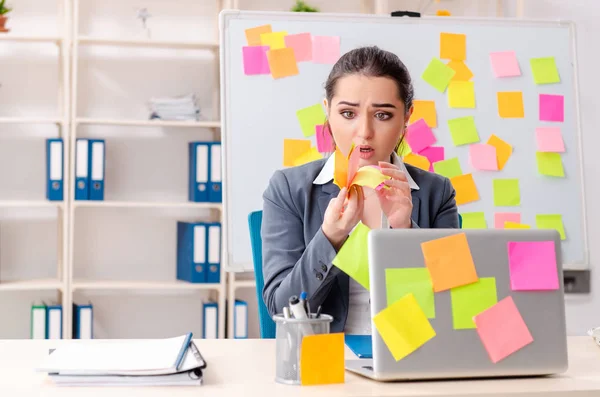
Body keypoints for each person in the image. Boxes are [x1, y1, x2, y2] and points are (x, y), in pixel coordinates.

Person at [261, 46, 459, 334]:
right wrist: (331, 237)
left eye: (382, 115)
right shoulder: (288, 189)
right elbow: (282, 308)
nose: (364, 131)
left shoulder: (436, 193)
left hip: (411, 357)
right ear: (327, 111)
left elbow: (452, 302)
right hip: (325, 361)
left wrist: (404, 230)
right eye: (347, 113)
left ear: (406, 117)